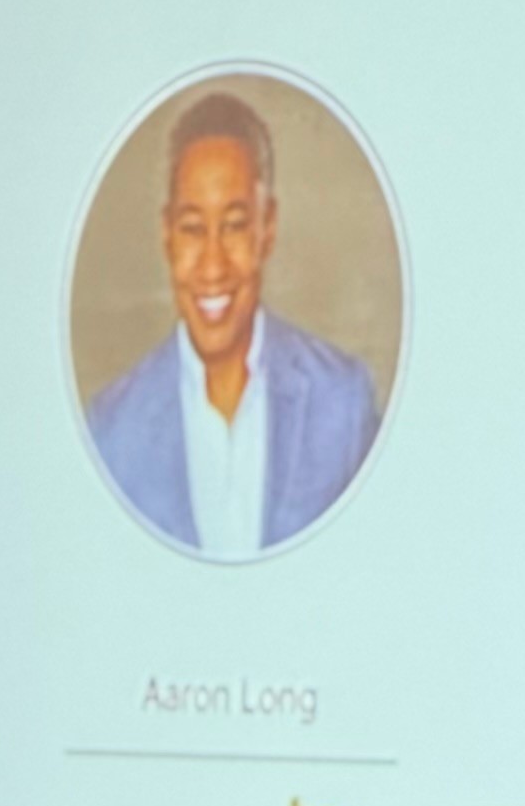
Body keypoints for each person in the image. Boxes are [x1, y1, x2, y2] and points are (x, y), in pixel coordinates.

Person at [84, 87, 384, 554]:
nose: (212, 264)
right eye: (192, 229)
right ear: (166, 236)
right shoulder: (110, 434)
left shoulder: (343, 406)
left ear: (267, 228)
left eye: (235, 225)